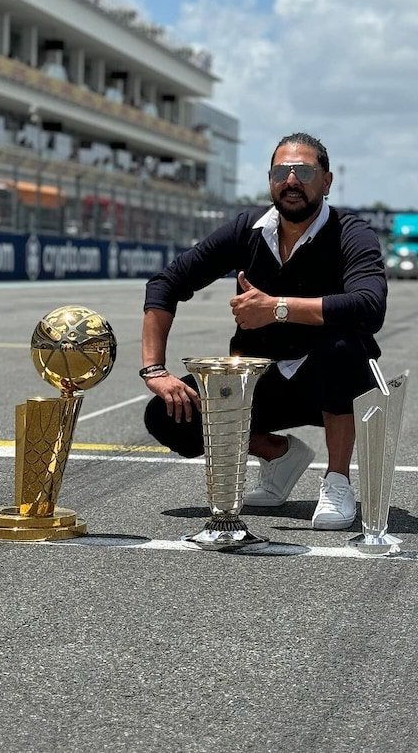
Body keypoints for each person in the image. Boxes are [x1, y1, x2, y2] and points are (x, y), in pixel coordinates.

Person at [140, 132, 387, 529]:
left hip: (332, 383)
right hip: (263, 379)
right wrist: (155, 370)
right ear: (270, 180)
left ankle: (338, 481)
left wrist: (277, 309)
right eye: (281, 172)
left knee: (344, 346)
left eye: (304, 171)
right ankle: (279, 455)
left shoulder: (350, 233)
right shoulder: (246, 229)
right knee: (167, 415)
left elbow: (370, 306)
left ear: (326, 181)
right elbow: (166, 283)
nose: (292, 181)